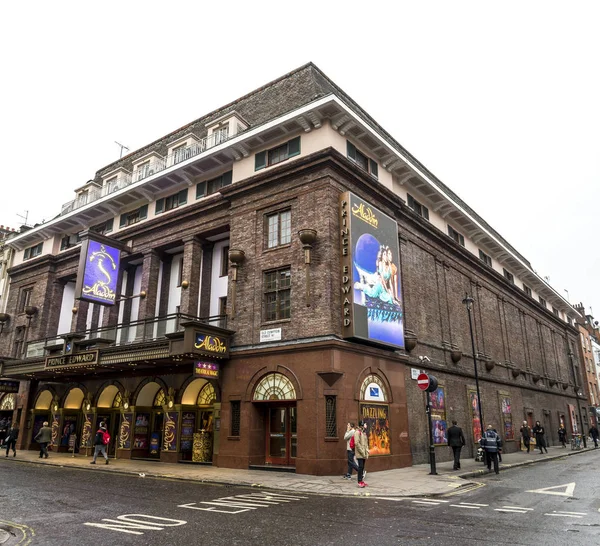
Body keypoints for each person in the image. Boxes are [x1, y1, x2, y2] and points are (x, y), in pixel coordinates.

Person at [353, 421, 369, 488]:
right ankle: (359, 482)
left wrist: (367, 451)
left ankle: (361, 481)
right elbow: (356, 443)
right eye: (365, 424)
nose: (366, 425)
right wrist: (362, 451)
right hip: (360, 453)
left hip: (363, 453)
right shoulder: (357, 432)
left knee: (362, 467)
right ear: (362, 425)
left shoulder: (363, 432)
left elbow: (366, 443)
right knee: (360, 467)